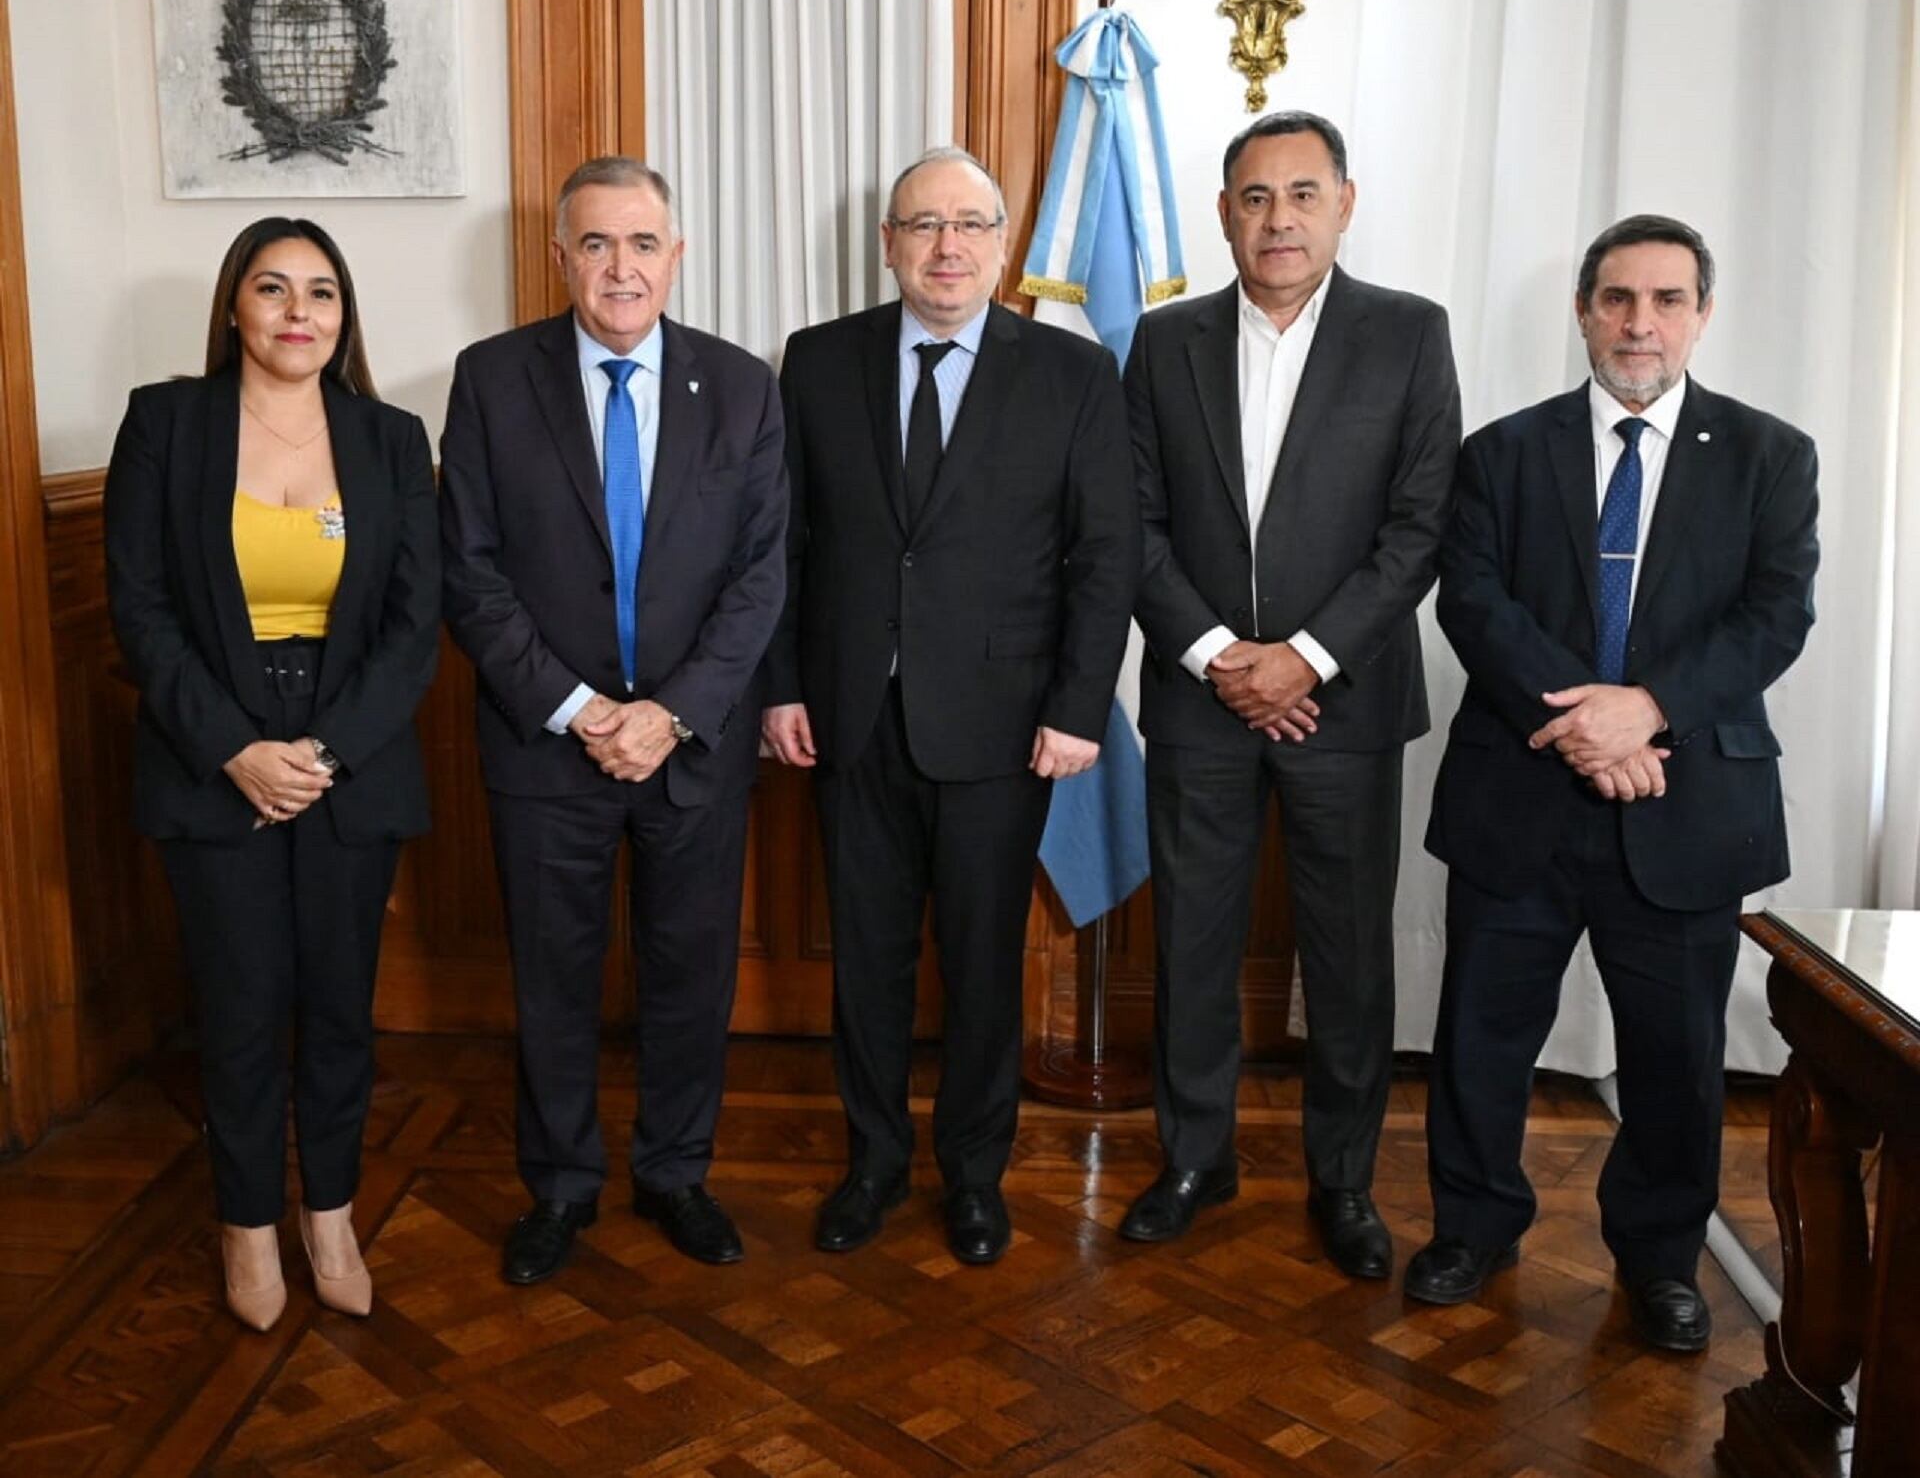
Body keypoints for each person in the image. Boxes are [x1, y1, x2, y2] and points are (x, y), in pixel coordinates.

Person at [1412, 215, 1819, 1351]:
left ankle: (1657, 1257)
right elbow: (1474, 603)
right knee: (1483, 1036)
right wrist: (1589, 720)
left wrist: (1646, 710)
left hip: (1687, 805)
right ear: (1584, 310)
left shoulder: (1768, 456)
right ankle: (1474, 1225)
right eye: (1618, 299)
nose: (1641, 322)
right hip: (1520, 799)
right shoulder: (1501, 452)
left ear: (1702, 314)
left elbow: (1774, 615)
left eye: (1668, 299)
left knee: (1676, 1056)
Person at [762, 147, 1137, 1266]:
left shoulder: (1072, 376)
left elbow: (1104, 556)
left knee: (981, 964)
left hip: (1004, 722)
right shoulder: (817, 362)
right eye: (922, 225)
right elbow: (785, 543)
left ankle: (975, 1176)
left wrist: (1077, 707)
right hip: (848, 718)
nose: (947, 248)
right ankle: (873, 1162)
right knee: (867, 960)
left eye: (970, 224)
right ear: (887, 242)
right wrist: (781, 683)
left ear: (1005, 241)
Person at [1119, 112, 1461, 1279]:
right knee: (1193, 945)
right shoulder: (1162, 343)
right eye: (1255, 199)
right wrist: (1221, 654)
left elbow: (1419, 528)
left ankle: (1344, 1182)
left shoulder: (1411, 335)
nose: (1279, 220)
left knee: (1350, 955)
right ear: (1224, 214)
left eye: (1302, 195)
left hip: (1345, 704)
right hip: (1199, 698)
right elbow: (1136, 523)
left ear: (1345, 205)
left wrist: (1302, 659)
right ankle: (1193, 1161)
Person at [439, 157, 786, 1285]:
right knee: (554, 976)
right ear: (561, 258)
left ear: (675, 256)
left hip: (692, 751)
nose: (621, 267)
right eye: (596, 244)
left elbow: (761, 576)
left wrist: (672, 715)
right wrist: (586, 709)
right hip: (549, 748)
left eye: (642, 244)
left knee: (692, 971)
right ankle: (560, 1186)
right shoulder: (492, 380)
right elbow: (471, 573)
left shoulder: (742, 387)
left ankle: (677, 1172)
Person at [105, 218, 440, 1331]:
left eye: (324, 292)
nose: (300, 311)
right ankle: (248, 1226)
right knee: (242, 1008)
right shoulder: (167, 423)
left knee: (341, 1006)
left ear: (344, 318)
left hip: (351, 752)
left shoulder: (389, 438)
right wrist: (238, 749)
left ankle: (330, 1213)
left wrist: (330, 750)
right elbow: (142, 611)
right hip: (217, 753)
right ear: (236, 307)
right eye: (274, 288)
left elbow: (413, 622)